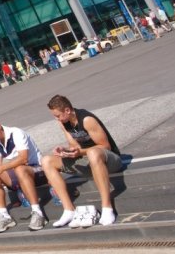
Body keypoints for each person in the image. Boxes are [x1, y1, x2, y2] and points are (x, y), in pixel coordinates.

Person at [42, 95, 123, 227]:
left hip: (109, 161)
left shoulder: (87, 120)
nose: (56, 119)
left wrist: (80, 152)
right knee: (46, 161)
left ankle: (107, 207)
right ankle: (69, 210)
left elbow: (105, 146)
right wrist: (65, 150)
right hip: (88, 160)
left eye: (57, 115)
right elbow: (76, 147)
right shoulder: (63, 123)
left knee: (92, 152)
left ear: (67, 110)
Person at [0, 117, 46, 232]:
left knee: (19, 169)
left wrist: (2, 168)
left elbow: (23, 158)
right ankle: (4, 215)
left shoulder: (16, 133)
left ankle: (38, 213)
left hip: (38, 170)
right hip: (19, 174)